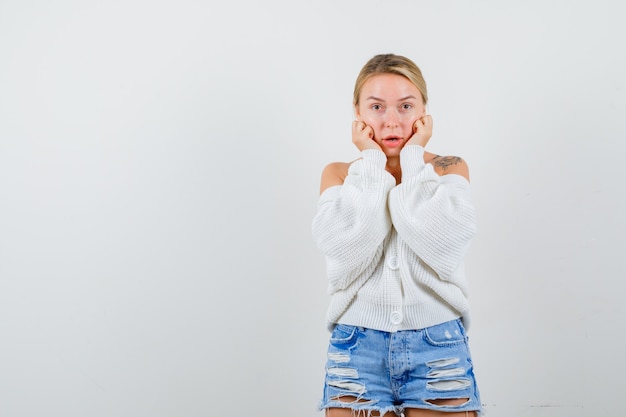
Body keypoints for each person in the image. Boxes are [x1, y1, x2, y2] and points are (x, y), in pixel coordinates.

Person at [311, 53, 482, 417]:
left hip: (437, 346)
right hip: (356, 347)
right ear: (357, 113)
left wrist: (413, 158)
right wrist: (373, 163)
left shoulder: (448, 168)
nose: (392, 121)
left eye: (406, 106)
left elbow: (444, 244)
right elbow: (344, 252)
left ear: (424, 112)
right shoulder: (339, 174)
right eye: (376, 107)